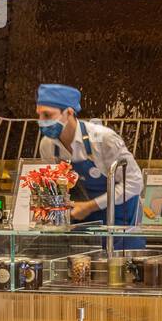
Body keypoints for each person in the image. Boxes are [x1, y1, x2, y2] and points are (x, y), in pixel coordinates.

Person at [34, 83, 143, 225]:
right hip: (80, 223)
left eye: (47, 115)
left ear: (69, 112)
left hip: (119, 222)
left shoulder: (104, 139)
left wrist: (90, 206)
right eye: (39, 115)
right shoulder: (47, 145)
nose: (41, 121)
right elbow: (55, 189)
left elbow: (134, 182)